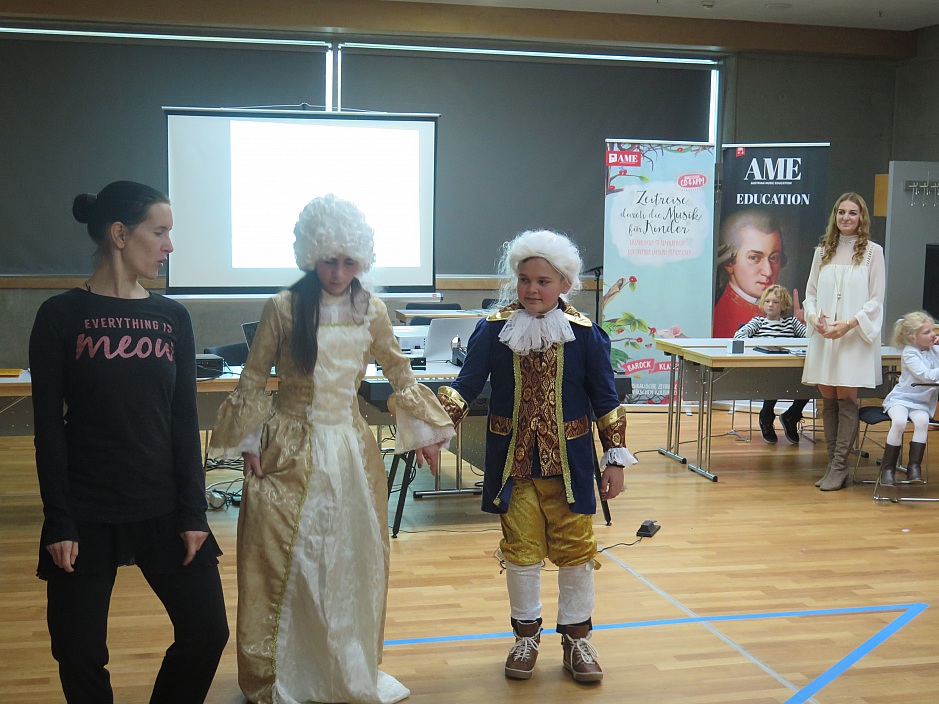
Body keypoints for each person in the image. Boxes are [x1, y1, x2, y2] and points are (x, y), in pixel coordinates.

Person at [208, 194, 455, 704]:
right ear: (310, 256)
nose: (339, 272)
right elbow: (253, 380)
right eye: (329, 261)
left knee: (347, 560)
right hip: (289, 449)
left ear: (361, 261)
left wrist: (428, 434)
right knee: (285, 560)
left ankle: (344, 668)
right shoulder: (282, 308)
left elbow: (399, 373)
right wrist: (250, 439)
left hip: (350, 451)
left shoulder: (372, 311)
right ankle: (283, 675)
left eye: (349, 262)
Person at [28, 181, 229, 704]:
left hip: (164, 507)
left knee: (207, 633)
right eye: (159, 232)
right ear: (120, 234)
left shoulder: (171, 317)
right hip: (87, 509)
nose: (169, 246)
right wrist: (59, 519)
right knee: (78, 653)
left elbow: (185, 423)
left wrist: (194, 512)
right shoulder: (60, 316)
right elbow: (48, 429)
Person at [436, 230, 637, 683]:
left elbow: (606, 400)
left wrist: (616, 460)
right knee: (521, 552)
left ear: (564, 283)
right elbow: (466, 386)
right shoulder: (493, 329)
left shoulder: (586, 335)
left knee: (576, 552)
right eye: (524, 279)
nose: (531, 289)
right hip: (514, 464)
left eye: (543, 281)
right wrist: (434, 429)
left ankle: (577, 639)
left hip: (571, 466)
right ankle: (525, 636)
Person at [802, 192, 885, 491]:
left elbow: (876, 301)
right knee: (829, 399)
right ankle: (833, 465)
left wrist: (848, 324)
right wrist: (814, 319)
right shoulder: (822, 250)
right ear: (834, 216)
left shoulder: (873, 253)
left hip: (852, 337)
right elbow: (810, 294)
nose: (846, 218)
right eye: (841, 212)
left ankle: (840, 467)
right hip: (825, 336)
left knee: (846, 399)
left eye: (852, 213)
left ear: (862, 217)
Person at [734, 284, 810, 444]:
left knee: (810, 382)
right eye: (767, 301)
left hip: (791, 368)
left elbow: (809, 338)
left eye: (775, 302)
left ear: (783, 305)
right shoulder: (758, 322)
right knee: (774, 381)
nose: (770, 305)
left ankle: (792, 416)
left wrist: (806, 321)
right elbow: (739, 335)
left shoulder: (792, 323)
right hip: (766, 371)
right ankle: (766, 416)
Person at [879, 312, 939, 485]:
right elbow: (926, 375)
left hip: (922, 402)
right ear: (913, 337)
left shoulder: (934, 349)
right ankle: (888, 469)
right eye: (927, 332)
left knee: (922, 423)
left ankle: (914, 467)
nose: (933, 334)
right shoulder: (909, 353)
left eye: (933, 330)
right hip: (902, 399)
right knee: (899, 422)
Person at [713, 209, 790, 337]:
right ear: (729, 263)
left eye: (774, 258)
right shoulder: (721, 315)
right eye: (754, 258)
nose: (768, 271)